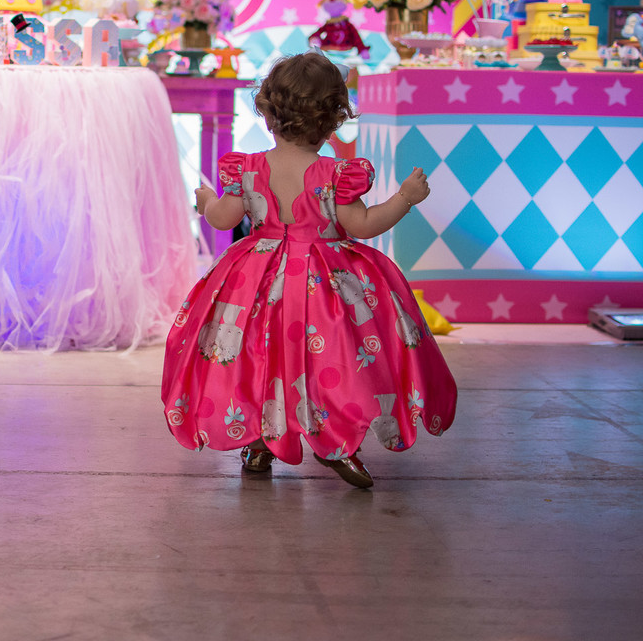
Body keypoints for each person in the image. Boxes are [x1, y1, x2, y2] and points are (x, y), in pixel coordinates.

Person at [160, 51, 457, 488]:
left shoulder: (247, 169)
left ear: (268, 113)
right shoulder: (336, 175)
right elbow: (364, 224)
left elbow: (223, 219)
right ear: (334, 118)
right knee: (331, 357)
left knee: (259, 355)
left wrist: (205, 200)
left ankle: (259, 445)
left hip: (254, 282)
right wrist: (406, 197)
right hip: (326, 284)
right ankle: (339, 443)